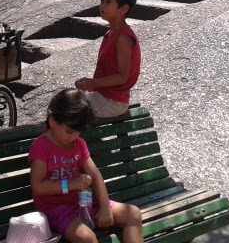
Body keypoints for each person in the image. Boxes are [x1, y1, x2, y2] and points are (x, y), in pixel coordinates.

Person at [28, 88, 143, 243]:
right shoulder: (41, 146)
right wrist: (70, 184)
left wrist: (104, 207)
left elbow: (95, 175)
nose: (74, 137)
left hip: (81, 205)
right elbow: (38, 186)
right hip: (55, 211)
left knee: (133, 214)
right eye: (69, 132)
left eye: (79, 132)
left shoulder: (79, 144)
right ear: (53, 121)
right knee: (87, 237)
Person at [75, 0, 141, 118]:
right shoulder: (110, 34)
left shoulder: (123, 38)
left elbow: (122, 77)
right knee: (64, 99)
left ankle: (79, 141)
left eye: (108, 2)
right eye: (102, 1)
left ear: (123, 9)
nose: (102, 6)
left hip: (113, 102)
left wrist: (92, 83)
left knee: (67, 109)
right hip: (103, 96)